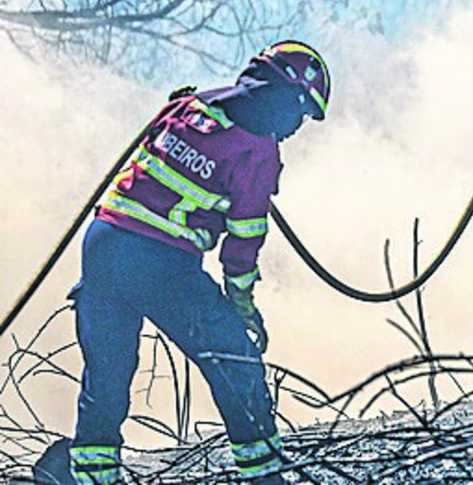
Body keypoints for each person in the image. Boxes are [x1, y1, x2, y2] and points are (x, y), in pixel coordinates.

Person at [67, 41, 330, 484]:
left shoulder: (189, 105)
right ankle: (265, 477)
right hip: (158, 260)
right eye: (301, 115)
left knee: (108, 373)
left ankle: (92, 476)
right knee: (235, 359)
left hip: (102, 243)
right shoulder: (259, 152)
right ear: (289, 98)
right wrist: (242, 307)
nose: (295, 129)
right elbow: (243, 244)